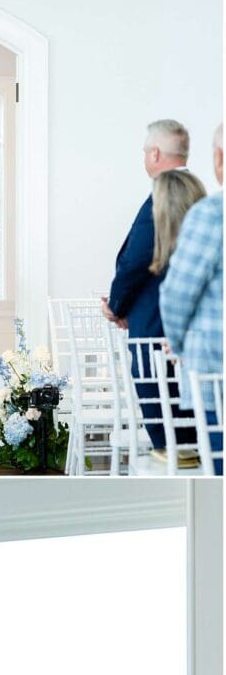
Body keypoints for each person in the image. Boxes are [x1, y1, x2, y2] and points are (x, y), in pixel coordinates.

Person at [105, 119, 197, 448]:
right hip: (185, 327)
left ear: (155, 153)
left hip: (154, 325)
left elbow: (135, 261)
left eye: (145, 151)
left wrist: (116, 306)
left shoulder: (162, 198)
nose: (145, 157)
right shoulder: (198, 196)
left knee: (163, 417)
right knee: (188, 417)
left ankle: (176, 469)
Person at [161, 124, 223, 469]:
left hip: (217, 374)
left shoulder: (213, 214)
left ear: (218, 158)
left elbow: (176, 295)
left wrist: (179, 344)